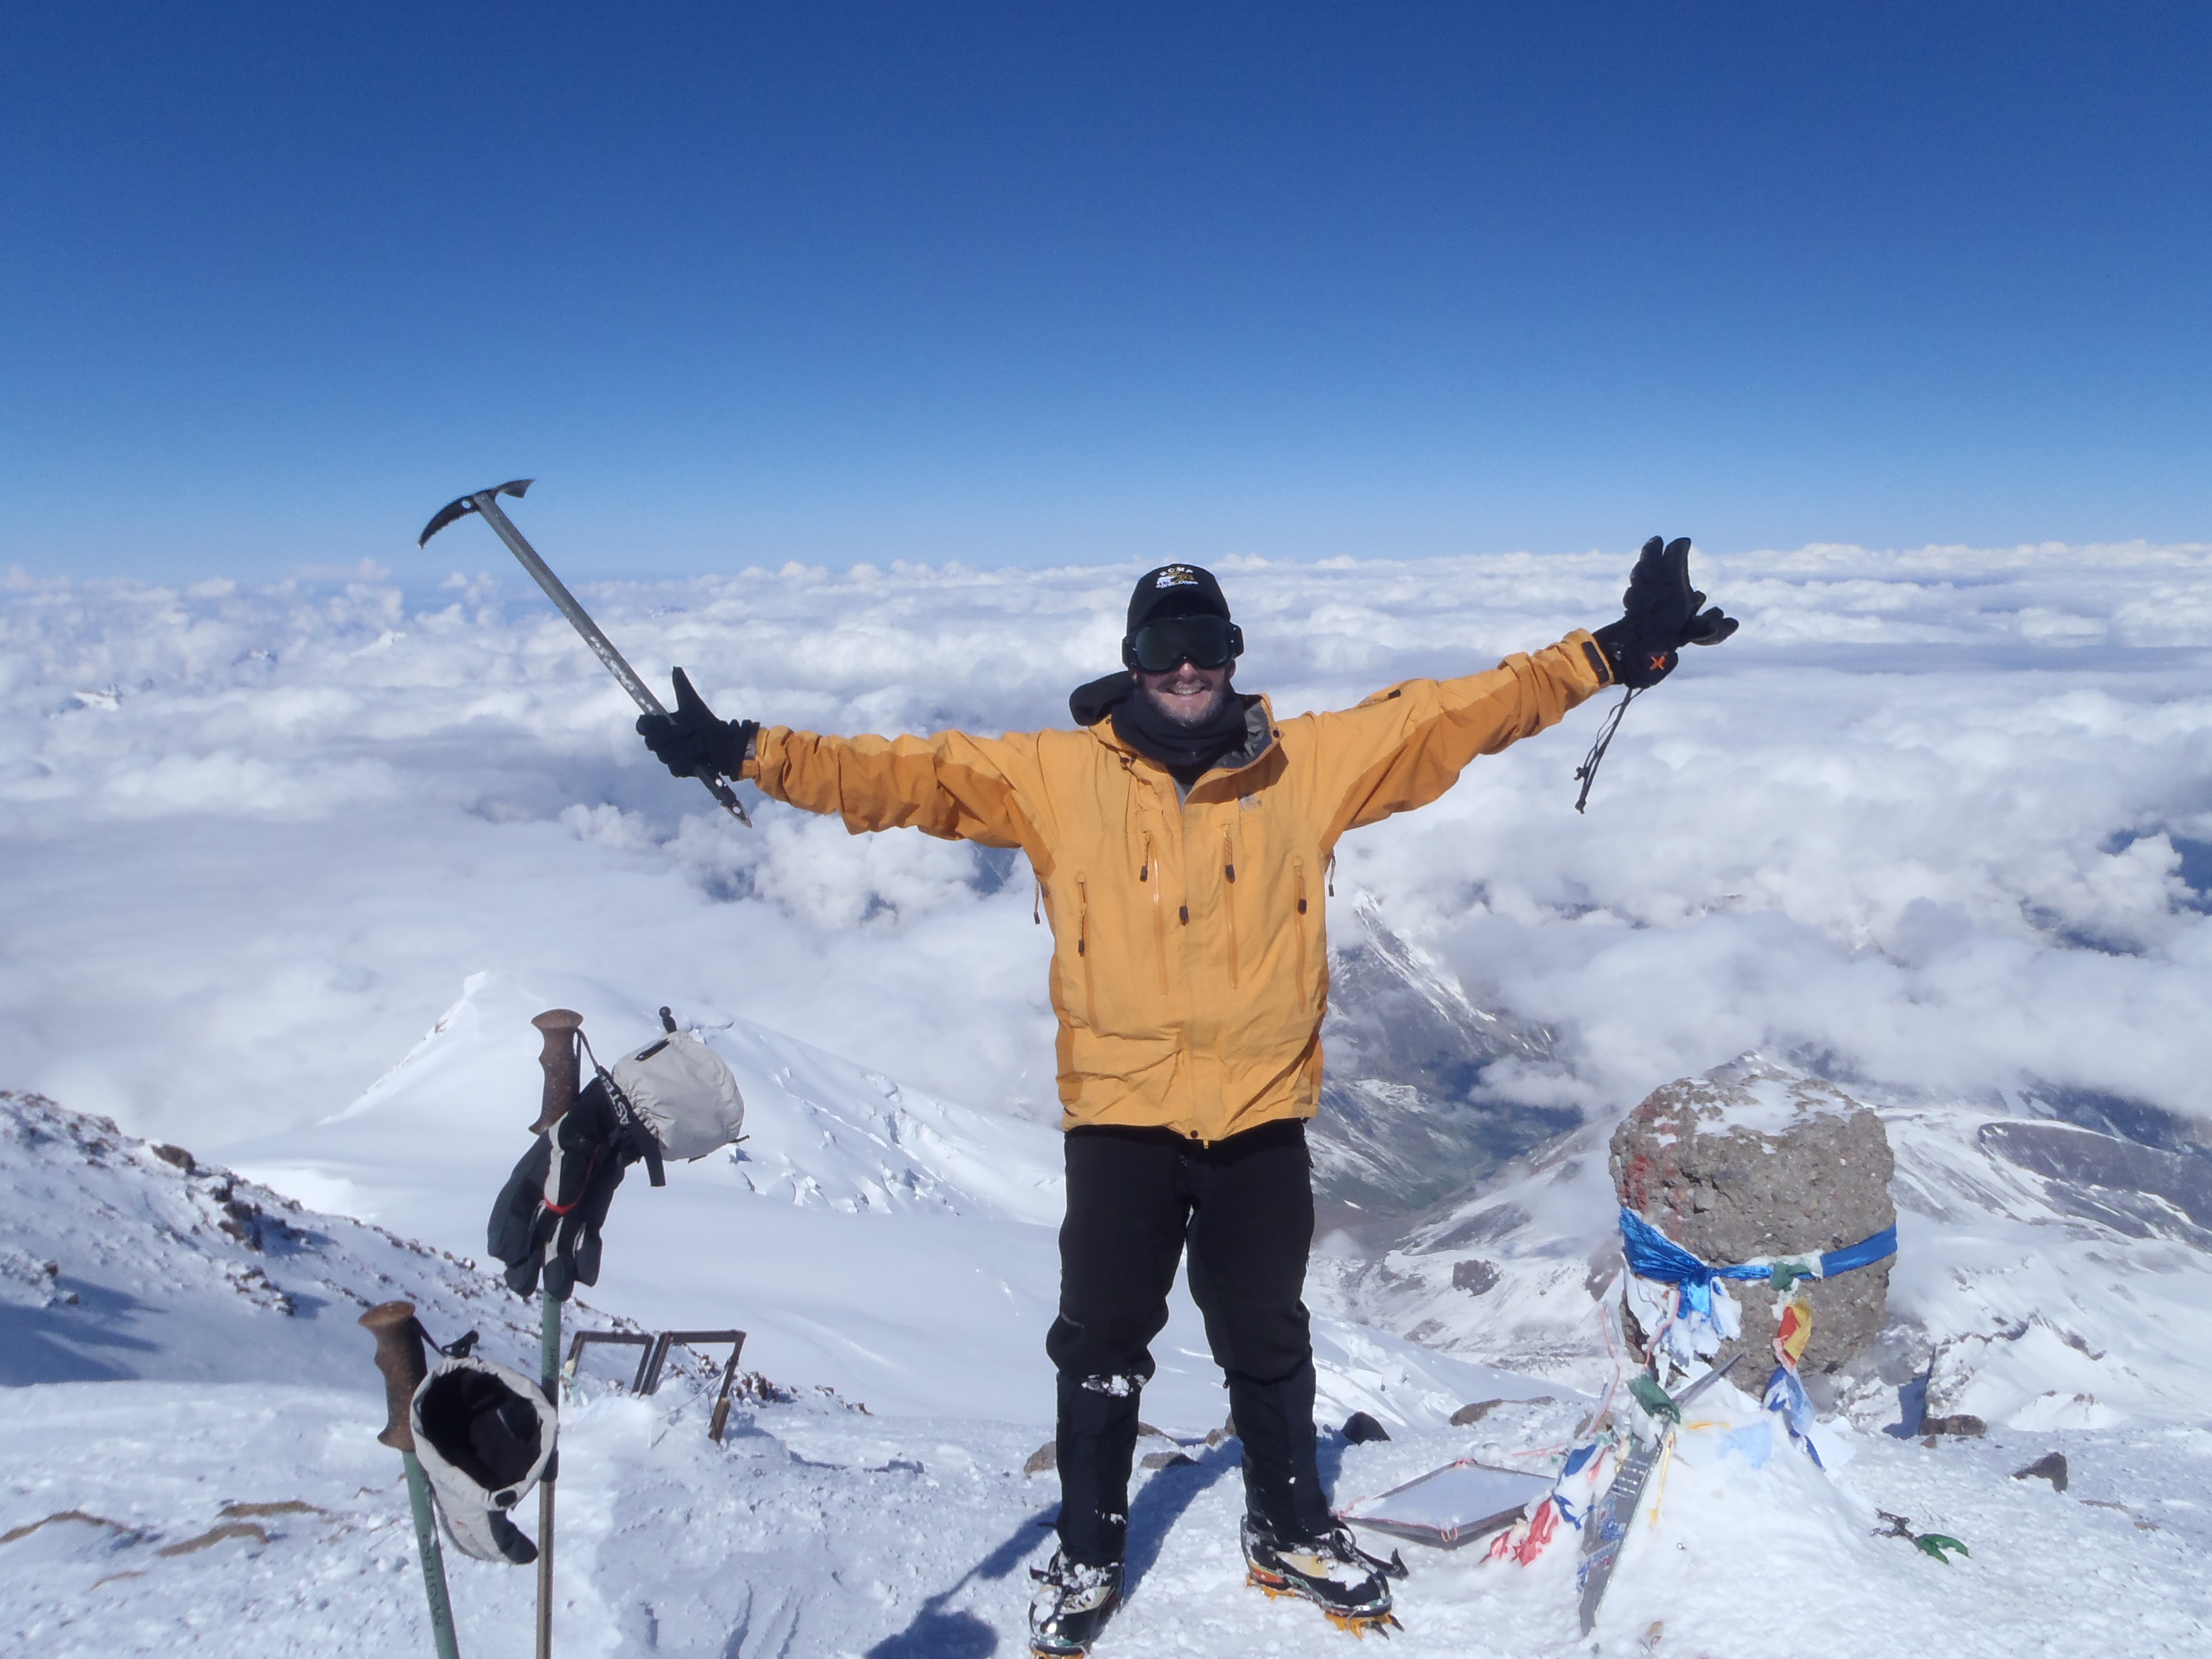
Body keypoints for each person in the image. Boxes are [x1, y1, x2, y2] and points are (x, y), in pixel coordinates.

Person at [638, 539, 1736, 1653]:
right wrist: (743, 749)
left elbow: (1460, 712)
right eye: (1163, 645)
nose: (1185, 666)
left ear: (1231, 654)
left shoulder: (1305, 765)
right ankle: (1088, 1544)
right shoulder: (1052, 777)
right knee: (1102, 1341)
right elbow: (892, 778)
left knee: (1265, 1334)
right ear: (1131, 659)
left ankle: (1288, 1525)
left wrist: (1612, 651)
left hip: (1259, 1111)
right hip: (1120, 1113)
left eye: (1203, 642)